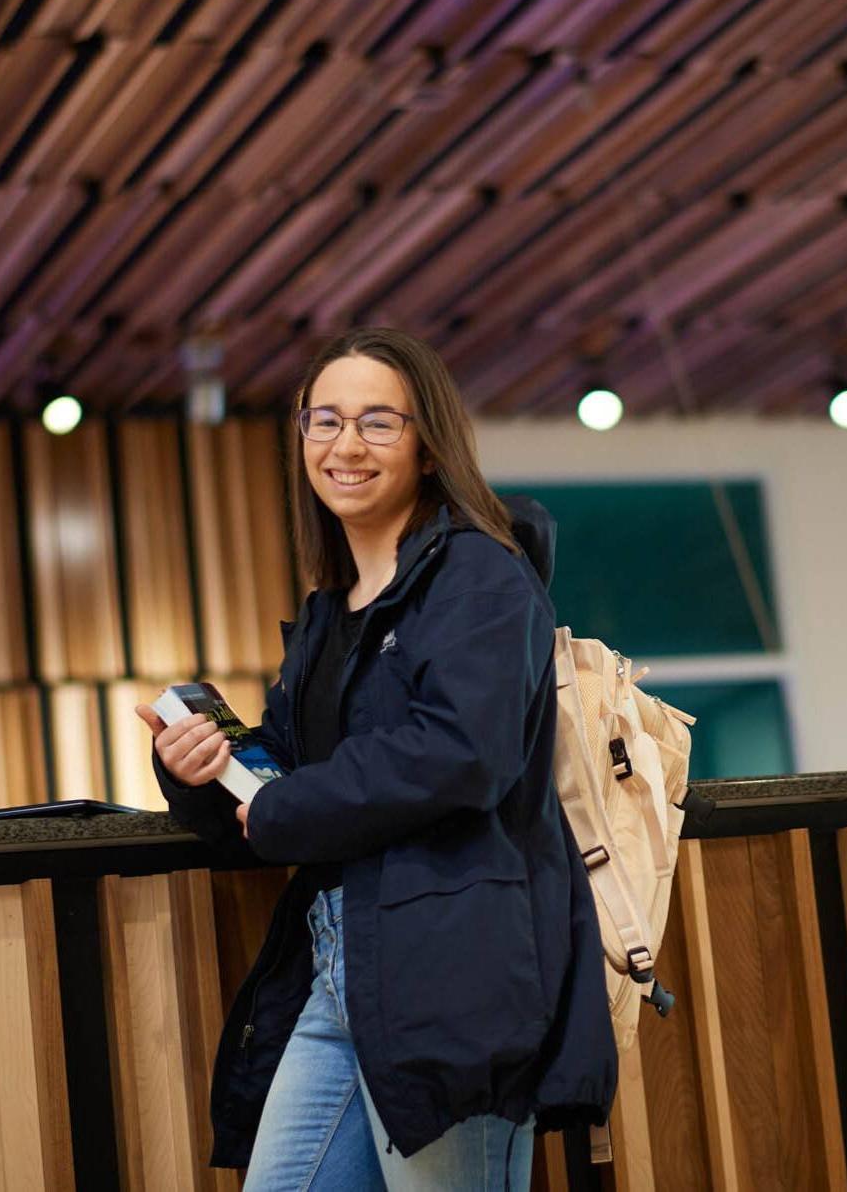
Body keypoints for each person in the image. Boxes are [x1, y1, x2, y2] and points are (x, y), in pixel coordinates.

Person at [136, 327, 616, 1190]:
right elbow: (286, 770)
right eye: (323, 421)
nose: (343, 445)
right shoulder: (333, 607)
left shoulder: (480, 574)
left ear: (428, 446)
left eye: (375, 423)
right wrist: (201, 765)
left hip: (451, 971)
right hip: (337, 965)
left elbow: (461, 752)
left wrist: (284, 805)